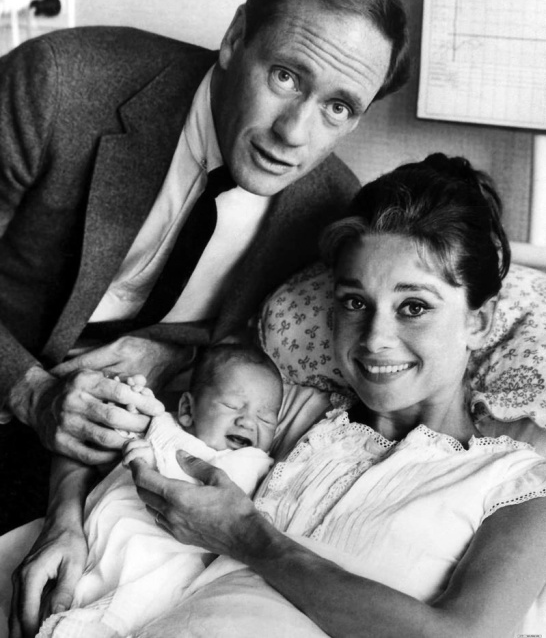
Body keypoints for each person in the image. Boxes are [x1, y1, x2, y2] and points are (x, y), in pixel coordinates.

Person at [0, 0, 409, 534]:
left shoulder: (328, 210)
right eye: (286, 76)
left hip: (119, 458)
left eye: (339, 108)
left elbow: (264, 336)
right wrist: (31, 392)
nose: (295, 133)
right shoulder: (57, 85)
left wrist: (178, 352)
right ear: (236, 38)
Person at [122, 154, 546, 637]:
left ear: (479, 322)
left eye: (413, 306)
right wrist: (67, 515)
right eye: (355, 302)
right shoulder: (293, 417)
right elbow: (143, 426)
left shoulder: (517, 488)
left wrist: (248, 538)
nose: (375, 339)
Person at [36, 344, 282, 638]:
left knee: (109, 619)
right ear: (188, 410)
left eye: (266, 418)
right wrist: (131, 402)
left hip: (151, 574)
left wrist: (151, 463)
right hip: (89, 548)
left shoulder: (252, 461)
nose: (248, 421)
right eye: (232, 406)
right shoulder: (162, 425)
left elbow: (215, 496)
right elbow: (118, 431)